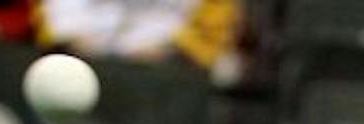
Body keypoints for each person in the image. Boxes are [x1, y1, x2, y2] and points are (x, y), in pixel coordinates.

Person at [38, 0, 238, 70]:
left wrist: (169, 50)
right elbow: (54, 26)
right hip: (75, 66)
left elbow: (205, 39)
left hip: (162, 85)